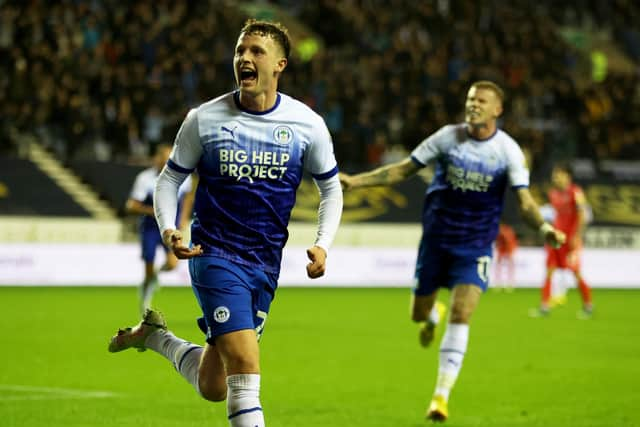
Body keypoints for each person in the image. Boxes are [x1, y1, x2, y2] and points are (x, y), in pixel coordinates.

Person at [108, 19, 343, 427]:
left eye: (256, 51)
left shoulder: (307, 125)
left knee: (214, 384)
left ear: (280, 65)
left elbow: (331, 189)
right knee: (247, 369)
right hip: (214, 254)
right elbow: (170, 180)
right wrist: (169, 228)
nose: (244, 58)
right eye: (240, 51)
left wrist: (323, 243)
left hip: (265, 264)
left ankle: (155, 337)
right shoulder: (205, 118)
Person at [340, 81, 565, 422]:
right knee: (418, 314)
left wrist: (545, 228)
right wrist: (356, 181)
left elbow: (525, 200)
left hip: (475, 245)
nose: (473, 104)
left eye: (482, 100)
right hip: (436, 240)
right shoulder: (447, 137)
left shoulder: (508, 151)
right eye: (471, 99)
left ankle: (440, 397)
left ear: (497, 110)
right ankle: (431, 316)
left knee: (463, 313)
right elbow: (403, 169)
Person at [125, 143, 193, 314]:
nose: (166, 162)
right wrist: (156, 210)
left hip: (171, 228)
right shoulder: (145, 179)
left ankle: (155, 276)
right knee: (148, 267)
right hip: (150, 228)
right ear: (156, 159)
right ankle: (146, 297)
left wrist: (183, 218)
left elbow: (187, 197)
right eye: (163, 159)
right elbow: (131, 205)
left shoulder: (183, 178)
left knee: (172, 263)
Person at [534, 163, 593, 318]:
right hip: (556, 240)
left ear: (568, 176)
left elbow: (582, 216)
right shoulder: (553, 193)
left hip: (571, 241)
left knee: (576, 273)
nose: (555, 178)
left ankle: (588, 305)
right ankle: (544, 306)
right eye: (554, 175)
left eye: (558, 174)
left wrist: (576, 236)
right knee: (549, 271)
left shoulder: (576, 192)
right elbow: (556, 217)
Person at [493, 223, 518, 291]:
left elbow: (511, 243)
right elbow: (497, 243)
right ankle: (497, 284)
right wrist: (499, 251)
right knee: (498, 267)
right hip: (502, 250)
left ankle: (510, 284)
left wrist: (510, 253)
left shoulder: (508, 232)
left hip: (509, 249)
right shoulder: (499, 233)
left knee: (510, 267)